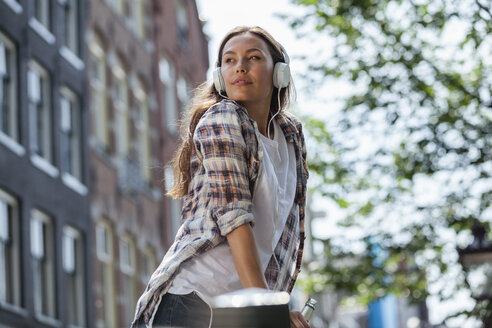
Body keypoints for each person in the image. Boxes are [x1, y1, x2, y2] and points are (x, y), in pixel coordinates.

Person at [132, 26, 310, 328]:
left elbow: (282, 236)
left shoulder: (291, 136)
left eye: (253, 57)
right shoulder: (222, 118)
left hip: (238, 307)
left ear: (279, 73)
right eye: (229, 60)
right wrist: (268, 310)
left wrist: (276, 304)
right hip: (193, 303)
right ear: (219, 76)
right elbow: (234, 219)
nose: (239, 66)